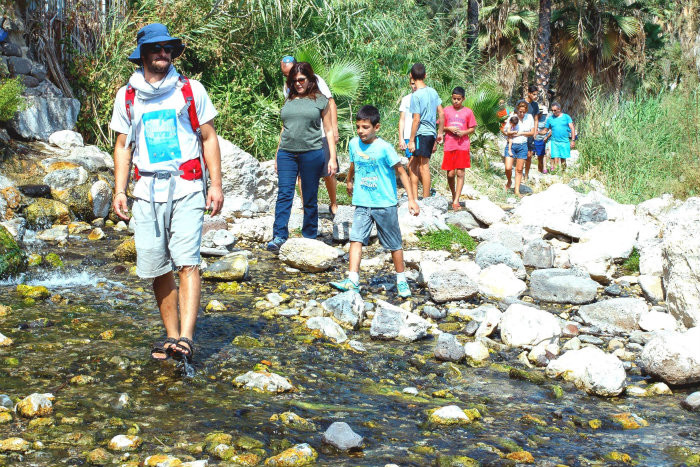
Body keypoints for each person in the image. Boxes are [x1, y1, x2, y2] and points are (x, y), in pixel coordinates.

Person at [110, 23, 224, 363]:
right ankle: (172, 336)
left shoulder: (190, 90)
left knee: (188, 262)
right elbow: (121, 145)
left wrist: (215, 185)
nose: (164, 53)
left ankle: (186, 338)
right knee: (157, 266)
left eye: (168, 48)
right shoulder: (126, 96)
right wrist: (119, 189)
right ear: (142, 54)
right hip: (145, 191)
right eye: (156, 48)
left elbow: (208, 138)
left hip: (187, 186)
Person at [330, 105, 419, 297]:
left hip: (384, 203)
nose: (361, 131)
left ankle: (401, 280)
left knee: (394, 244)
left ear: (376, 127)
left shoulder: (384, 148)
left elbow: (402, 172)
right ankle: (352, 279)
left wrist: (411, 199)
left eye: (365, 127)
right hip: (362, 201)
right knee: (356, 238)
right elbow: (353, 163)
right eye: (359, 127)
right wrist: (349, 180)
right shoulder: (354, 143)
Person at [267, 62, 338, 251]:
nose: (298, 84)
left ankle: (309, 235)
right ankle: (279, 235)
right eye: (294, 80)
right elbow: (284, 129)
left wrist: (332, 157)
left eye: (301, 80)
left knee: (309, 196)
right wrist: (277, 154)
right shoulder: (289, 100)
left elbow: (329, 131)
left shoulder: (320, 100)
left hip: (312, 153)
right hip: (286, 154)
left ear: (309, 80)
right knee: (284, 194)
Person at [280, 56, 339, 216]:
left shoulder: (316, 80)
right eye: (286, 76)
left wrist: (334, 129)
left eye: (290, 74)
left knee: (328, 172)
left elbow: (330, 102)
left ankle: (333, 203)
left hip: (320, 133)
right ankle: (308, 207)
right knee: (301, 175)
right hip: (300, 138)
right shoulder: (289, 86)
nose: (291, 79)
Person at [407, 63, 444, 200]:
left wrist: (411, 140)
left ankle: (426, 199)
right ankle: (415, 197)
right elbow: (441, 113)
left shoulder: (416, 96)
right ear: (425, 76)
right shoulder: (433, 92)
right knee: (413, 164)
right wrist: (439, 133)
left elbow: (416, 119)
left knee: (423, 166)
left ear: (411, 75)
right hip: (431, 133)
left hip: (421, 133)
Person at [442, 86, 477, 210]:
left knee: (460, 172)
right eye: (454, 99)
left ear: (463, 99)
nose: (456, 101)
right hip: (449, 144)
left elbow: (472, 128)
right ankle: (453, 194)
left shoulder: (468, 112)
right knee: (450, 173)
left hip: (462, 145)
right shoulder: (446, 111)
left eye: (458, 99)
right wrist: (448, 128)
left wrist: (464, 132)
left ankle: (456, 199)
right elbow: (440, 126)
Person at [501, 100, 535, 197]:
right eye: (520, 111)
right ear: (517, 110)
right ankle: (509, 181)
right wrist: (509, 133)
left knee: (519, 169)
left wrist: (521, 133)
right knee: (508, 167)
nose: (522, 114)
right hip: (512, 144)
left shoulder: (529, 118)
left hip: (522, 145)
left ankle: (517, 191)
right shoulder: (513, 117)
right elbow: (504, 130)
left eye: (523, 112)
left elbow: (532, 132)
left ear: (526, 111)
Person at [545, 102, 575, 171]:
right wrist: (537, 132)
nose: (553, 112)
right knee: (555, 158)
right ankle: (556, 174)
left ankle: (563, 173)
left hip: (564, 141)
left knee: (563, 159)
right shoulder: (550, 119)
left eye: (555, 110)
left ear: (559, 109)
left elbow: (572, 128)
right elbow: (546, 130)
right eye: (552, 110)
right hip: (554, 141)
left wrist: (573, 140)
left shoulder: (566, 117)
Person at [398, 78, 418, 157]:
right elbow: (402, 119)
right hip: (408, 135)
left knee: (421, 163)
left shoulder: (425, 99)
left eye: (416, 83)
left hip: (421, 135)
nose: (415, 86)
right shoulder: (405, 99)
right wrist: (401, 138)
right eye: (413, 84)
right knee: (410, 162)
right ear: (410, 84)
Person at [524, 84, 540, 178]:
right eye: (534, 94)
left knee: (529, 155)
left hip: (531, 133)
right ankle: (519, 173)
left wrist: (535, 131)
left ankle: (526, 174)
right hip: (521, 133)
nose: (535, 96)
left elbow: (536, 119)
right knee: (522, 154)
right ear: (529, 93)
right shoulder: (521, 103)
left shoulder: (535, 105)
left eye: (536, 94)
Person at [533, 108, 549, 173]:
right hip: (531, 139)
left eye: (540, 113)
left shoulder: (545, 119)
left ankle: (541, 170)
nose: (539, 115)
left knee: (541, 156)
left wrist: (539, 133)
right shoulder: (531, 117)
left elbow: (547, 129)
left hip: (540, 139)